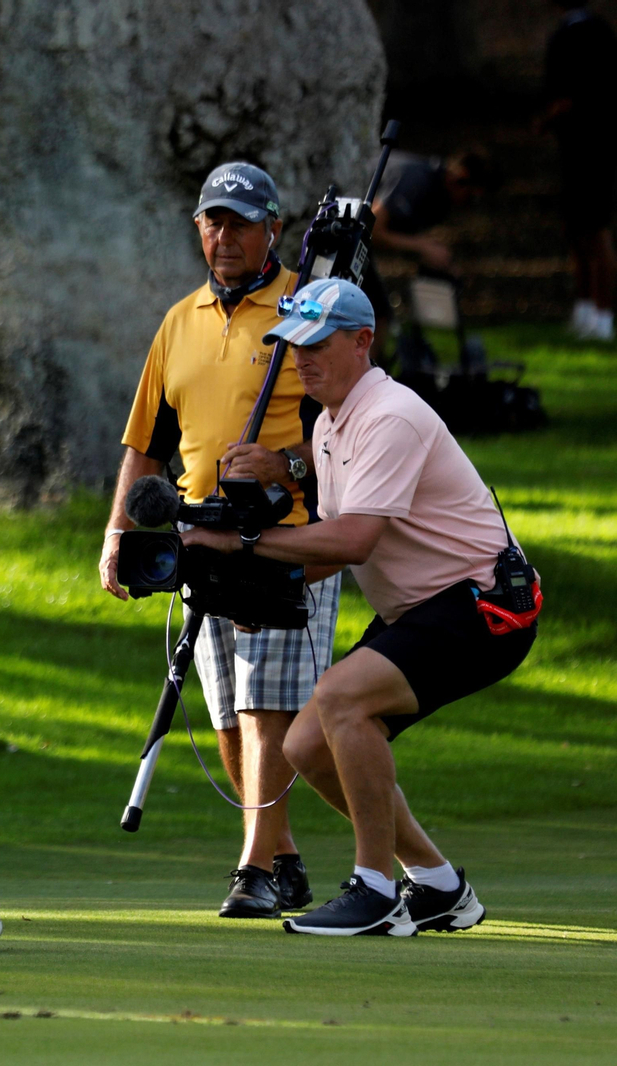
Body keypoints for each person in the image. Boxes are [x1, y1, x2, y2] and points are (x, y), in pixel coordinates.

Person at [183, 277, 540, 936]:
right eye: (294, 347)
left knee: (343, 698)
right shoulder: (327, 426)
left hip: (485, 605)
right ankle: (437, 884)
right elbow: (329, 550)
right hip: (424, 608)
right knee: (306, 744)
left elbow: (354, 538)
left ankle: (376, 892)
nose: (303, 360)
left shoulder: (391, 414)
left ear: (363, 340)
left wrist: (246, 540)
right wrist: (254, 583)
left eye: (317, 345)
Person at [101, 162, 340, 920]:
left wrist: (287, 462)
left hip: (290, 540)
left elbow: (356, 429)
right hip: (203, 541)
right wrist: (116, 532)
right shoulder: (180, 321)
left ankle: (253, 870)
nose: (224, 235)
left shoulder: (315, 307)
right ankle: (285, 857)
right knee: (231, 716)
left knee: (270, 708)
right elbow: (145, 445)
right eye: (212, 221)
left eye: (239, 221)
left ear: (273, 226)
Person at [364, 148, 500, 351]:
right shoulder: (416, 181)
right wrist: (421, 247)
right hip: (333, 233)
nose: (468, 205)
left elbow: (394, 236)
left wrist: (429, 253)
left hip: (354, 241)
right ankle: (365, 379)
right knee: (376, 313)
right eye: (472, 197)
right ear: (460, 178)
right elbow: (370, 228)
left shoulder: (436, 194)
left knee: (378, 312)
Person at [539, 2, 617, 340]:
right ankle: (586, 310)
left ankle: (603, 315)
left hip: (590, 148)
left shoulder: (574, 35)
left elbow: (566, 93)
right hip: (585, 147)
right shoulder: (600, 31)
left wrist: (546, 119)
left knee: (595, 233)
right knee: (579, 232)